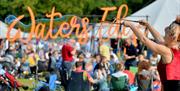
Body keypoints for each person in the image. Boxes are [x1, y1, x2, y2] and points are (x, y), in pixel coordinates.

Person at [123, 16, 180, 91]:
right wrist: (147, 25)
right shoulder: (175, 49)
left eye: (167, 30)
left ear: (172, 37)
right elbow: (159, 38)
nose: (165, 29)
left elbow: (144, 40)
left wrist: (131, 25)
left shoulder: (167, 51)